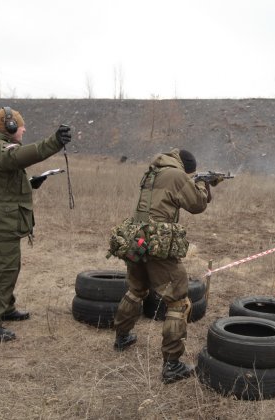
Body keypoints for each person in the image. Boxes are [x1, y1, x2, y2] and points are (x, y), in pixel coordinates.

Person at [110, 148, 211, 384]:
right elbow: (197, 205)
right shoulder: (177, 176)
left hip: (138, 239)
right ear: (186, 168)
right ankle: (172, 366)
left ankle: (122, 336)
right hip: (157, 244)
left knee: (136, 291)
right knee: (178, 302)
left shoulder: (154, 171)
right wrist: (203, 186)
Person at [0, 106, 71, 342]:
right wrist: (54, 142)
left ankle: (6, 309)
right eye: (20, 125)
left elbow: (4, 183)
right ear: (9, 127)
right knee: (1, 271)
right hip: (1, 222)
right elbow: (20, 156)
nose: (24, 128)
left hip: (5, 220)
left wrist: (30, 182)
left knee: (10, 267)